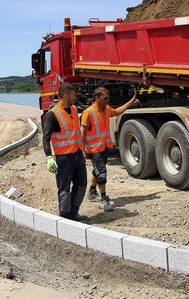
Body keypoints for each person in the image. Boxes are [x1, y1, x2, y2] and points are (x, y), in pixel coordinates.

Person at [80, 87, 138, 211]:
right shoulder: (88, 112)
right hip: (94, 149)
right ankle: (104, 199)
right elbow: (82, 132)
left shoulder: (106, 110)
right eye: (105, 98)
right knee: (101, 173)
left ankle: (91, 192)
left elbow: (117, 111)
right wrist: (82, 150)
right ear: (97, 98)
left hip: (105, 147)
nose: (107, 100)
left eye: (108, 98)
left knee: (97, 170)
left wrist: (130, 103)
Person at [42, 83, 88, 221]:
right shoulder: (52, 115)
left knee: (81, 185)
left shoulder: (73, 110)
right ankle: (65, 216)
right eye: (73, 95)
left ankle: (74, 212)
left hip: (77, 155)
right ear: (66, 96)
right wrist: (49, 157)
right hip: (63, 158)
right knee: (64, 188)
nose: (75, 98)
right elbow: (46, 138)